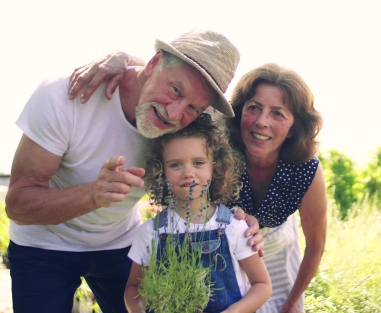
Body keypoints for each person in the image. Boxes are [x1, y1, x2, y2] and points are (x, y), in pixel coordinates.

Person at [5, 28, 263, 313]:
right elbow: (18, 205)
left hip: (122, 245)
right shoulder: (64, 94)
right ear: (153, 64)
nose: (174, 115)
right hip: (43, 246)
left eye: (192, 107)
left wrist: (241, 218)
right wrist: (92, 195)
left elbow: (214, 173)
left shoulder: (189, 124)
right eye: (175, 90)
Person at [71, 57, 328, 313]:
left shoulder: (304, 170)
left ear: (295, 127)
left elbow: (315, 246)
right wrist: (120, 58)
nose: (261, 121)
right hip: (222, 242)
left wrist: (292, 302)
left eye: (277, 114)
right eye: (253, 108)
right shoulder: (216, 145)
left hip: (275, 244)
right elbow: (167, 71)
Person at [125, 113, 271, 313]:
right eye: (175, 164)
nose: (188, 172)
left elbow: (262, 284)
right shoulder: (151, 232)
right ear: (162, 171)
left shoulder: (234, 227)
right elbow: (134, 288)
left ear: (215, 167)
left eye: (198, 162)